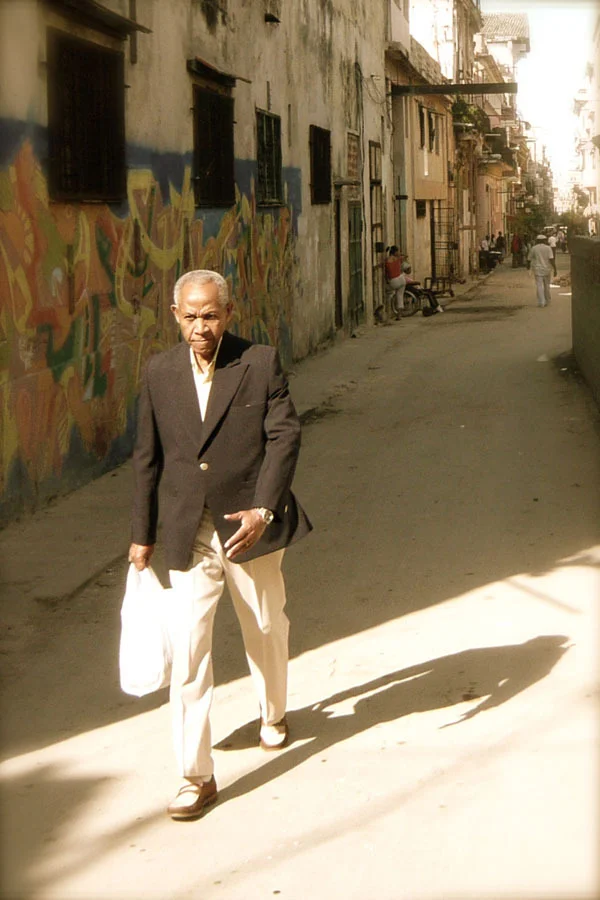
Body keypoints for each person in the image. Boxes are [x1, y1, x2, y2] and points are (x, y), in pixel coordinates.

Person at [129, 269, 312, 820]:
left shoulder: (259, 362)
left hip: (248, 525)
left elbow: (284, 436)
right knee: (189, 650)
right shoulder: (159, 372)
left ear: (228, 313)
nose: (200, 327)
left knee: (265, 624)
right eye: (190, 316)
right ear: (175, 315)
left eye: (210, 315)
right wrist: (142, 534)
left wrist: (263, 508)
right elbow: (147, 458)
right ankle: (195, 776)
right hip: (189, 530)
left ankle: (272, 713)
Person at [527, 234, 554, 308]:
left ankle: (541, 302)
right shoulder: (548, 248)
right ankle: (547, 300)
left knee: (539, 286)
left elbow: (529, 259)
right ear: (544, 240)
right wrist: (555, 269)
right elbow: (551, 259)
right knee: (547, 285)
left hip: (538, 269)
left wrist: (528, 268)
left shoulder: (534, 248)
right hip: (547, 269)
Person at [385, 245, 405, 319]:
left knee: (388, 293)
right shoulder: (398, 259)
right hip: (401, 279)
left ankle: (387, 312)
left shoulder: (387, 260)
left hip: (394, 280)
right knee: (400, 296)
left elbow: (387, 273)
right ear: (395, 252)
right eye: (398, 251)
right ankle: (399, 314)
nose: (399, 252)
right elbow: (404, 257)